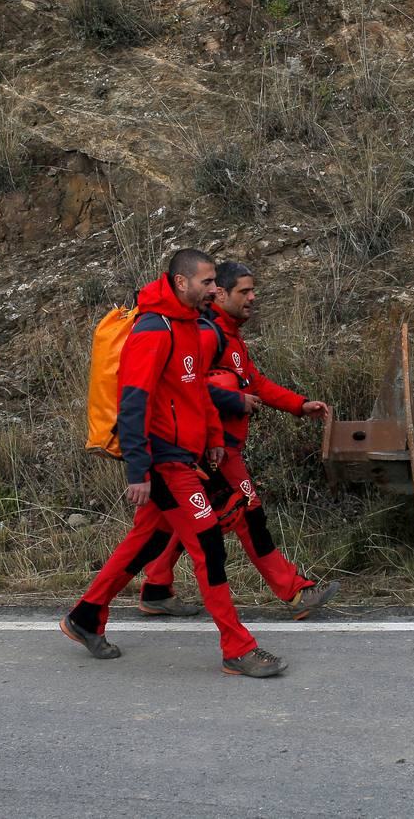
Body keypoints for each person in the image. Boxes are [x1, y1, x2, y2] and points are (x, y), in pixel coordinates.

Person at [60, 249, 286, 678]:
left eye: (215, 283)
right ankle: (237, 647)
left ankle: (86, 616)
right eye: (207, 283)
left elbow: (197, 393)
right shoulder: (153, 330)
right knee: (209, 548)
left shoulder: (189, 327)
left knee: (144, 542)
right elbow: (134, 405)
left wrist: (215, 440)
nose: (214, 290)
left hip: (189, 457)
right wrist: (138, 472)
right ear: (181, 283)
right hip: (164, 462)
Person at [138, 261, 340, 621]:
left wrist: (299, 405)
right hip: (215, 451)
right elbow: (186, 388)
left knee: (172, 524)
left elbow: (255, 383)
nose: (252, 297)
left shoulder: (229, 335)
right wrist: (233, 401)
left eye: (252, 290)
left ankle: (153, 588)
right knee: (250, 515)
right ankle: (293, 592)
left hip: (200, 453)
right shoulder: (207, 333)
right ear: (221, 294)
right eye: (243, 291)